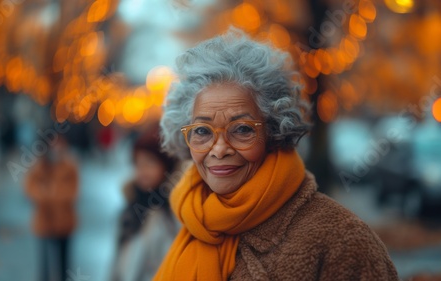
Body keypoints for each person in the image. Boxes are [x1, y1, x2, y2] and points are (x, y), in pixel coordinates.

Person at [154, 29, 399, 280]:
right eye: (203, 131)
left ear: (273, 131)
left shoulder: (342, 239)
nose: (219, 149)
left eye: (242, 129)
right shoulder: (190, 218)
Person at [111, 125, 180, 281]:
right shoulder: (131, 207)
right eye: (138, 163)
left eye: (150, 163)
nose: (142, 170)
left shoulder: (172, 213)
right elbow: (117, 260)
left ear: (166, 167)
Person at [25, 136, 78, 281]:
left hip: (64, 222)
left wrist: (49, 194)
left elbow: (72, 192)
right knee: (44, 265)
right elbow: (30, 188)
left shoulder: (69, 166)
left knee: (64, 264)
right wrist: (46, 195)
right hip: (44, 221)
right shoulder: (40, 166)